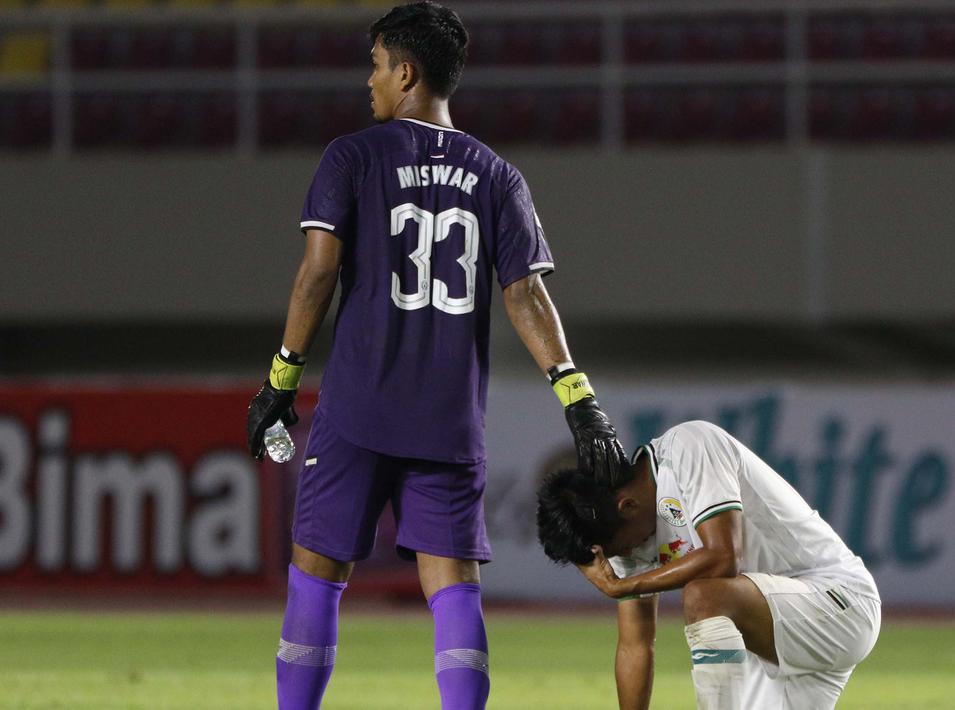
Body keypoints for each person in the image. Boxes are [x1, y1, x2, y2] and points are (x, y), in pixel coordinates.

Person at [244, 3, 626, 708]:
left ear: (406, 72)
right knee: (452, 591)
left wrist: (280, 379)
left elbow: (318, 274)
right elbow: (525, 296)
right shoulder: (496, 174)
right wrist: (577, 397)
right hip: (446, 422)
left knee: (315, 579)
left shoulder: (351, 156)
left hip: (357, 408)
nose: (369, 81)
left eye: (376, 65)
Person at [536, 420, 880, 710]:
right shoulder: (623, 535)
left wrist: (622, 587)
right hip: (771, 642)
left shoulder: (689, 447)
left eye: (620, 546)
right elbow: (635, 645)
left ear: (626, 505)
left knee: (704, 595)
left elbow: (723, 557)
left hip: (837, 601)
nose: (624, 556)